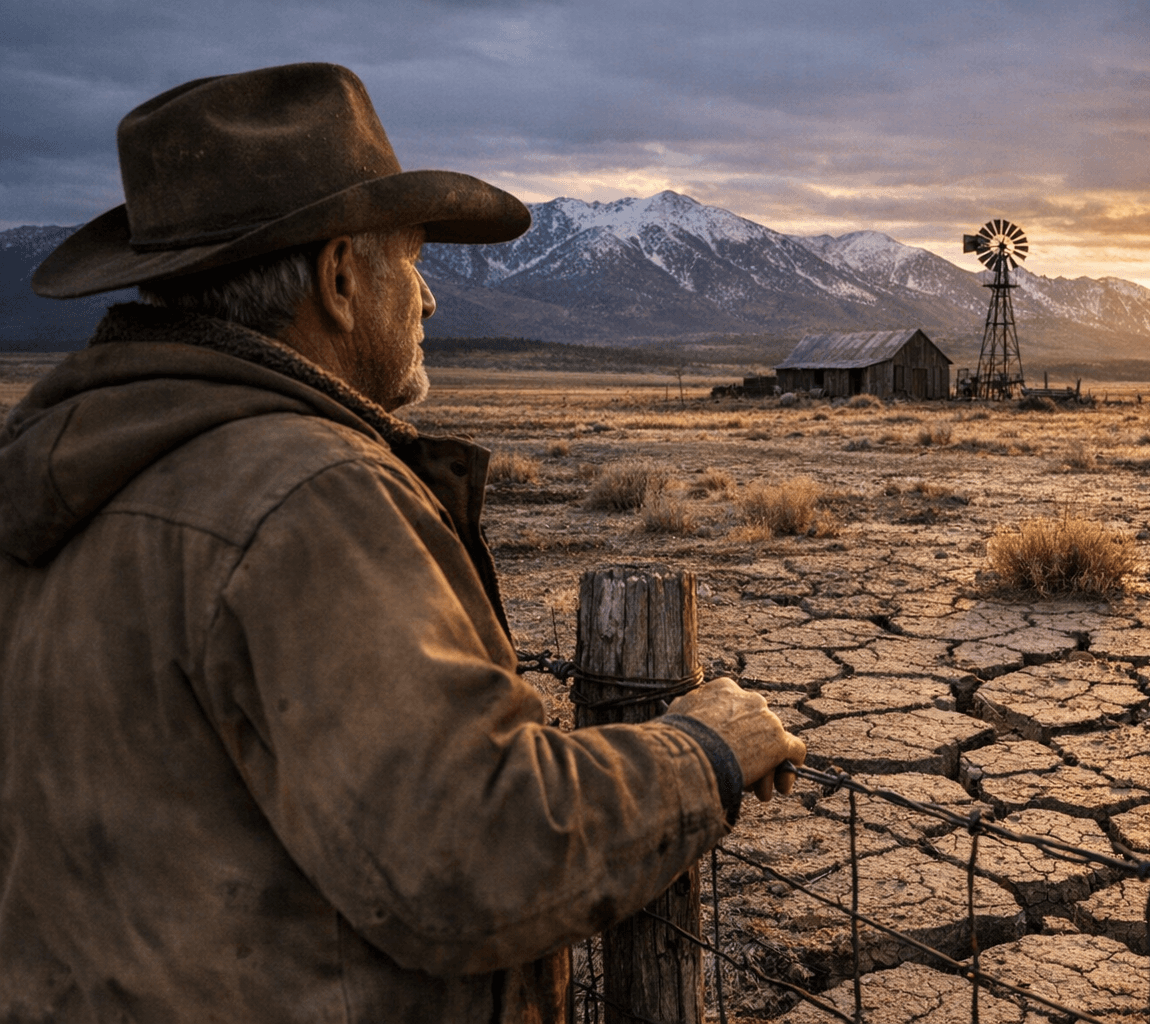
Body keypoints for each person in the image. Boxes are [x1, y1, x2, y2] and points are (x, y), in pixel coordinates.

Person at [1, 62, 805, 1023]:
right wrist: (704, 752)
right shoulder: (305, 492)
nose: (427, 303)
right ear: (341, 279)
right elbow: (472, 850)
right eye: (412, 262)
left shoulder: (70, 473)